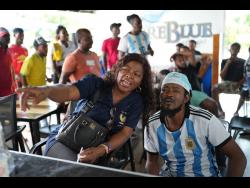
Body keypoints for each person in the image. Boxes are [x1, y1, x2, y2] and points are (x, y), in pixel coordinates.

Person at [17, 53, 155, 164]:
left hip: (97, 150)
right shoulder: (95, 84)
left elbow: (125, 133)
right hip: (64, 141)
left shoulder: (136, 101)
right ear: (117, 70)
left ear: (141, 81)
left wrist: (101, 150)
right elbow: (69, 91)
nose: (130, 75)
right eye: (126, 69)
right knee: (77, 171)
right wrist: (48, 90)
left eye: (137, 74)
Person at [144, 72, 247, 177]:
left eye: (175, 90)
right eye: (164, 89)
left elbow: (238, 157)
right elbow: (151, 161)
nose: (169, 94)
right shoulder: (152, 124)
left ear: (186, 98)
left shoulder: (204, 120)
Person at [212, 42, 245, 118]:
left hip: (238, 84)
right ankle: (220, 111)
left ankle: (236, 112)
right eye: (233, 48)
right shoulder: (224, 61)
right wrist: (228, 63)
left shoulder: (243, 62)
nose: (234, 50)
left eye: (237, 49)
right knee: (214, 88)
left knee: (245, 92)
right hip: (226, 83)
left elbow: (246, 76)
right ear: (230, 50)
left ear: (239, 50)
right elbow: (222, 77)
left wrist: (239, 84)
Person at [234, 46, 250, 116]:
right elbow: (247, 76)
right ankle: (236, 111)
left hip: (246, 85)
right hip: (247, 85)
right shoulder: (248, 62)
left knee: (243, 94)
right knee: (243, 94)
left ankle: (236, 112)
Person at [0, 27, 16, 97]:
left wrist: (14, 83)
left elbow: (11, 68)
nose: (7, 38)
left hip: (8, 89)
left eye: (8, 36)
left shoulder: (9, 51)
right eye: (4, 36)